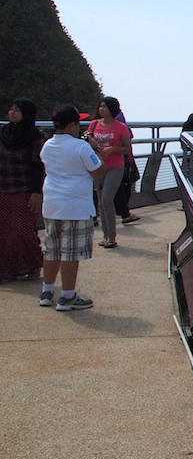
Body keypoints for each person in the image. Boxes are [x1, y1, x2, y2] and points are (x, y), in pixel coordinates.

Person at [39, 105, 105, 310]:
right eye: (77, 123)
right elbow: (99, 171)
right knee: (70, 253)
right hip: (75, 206)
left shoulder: (47, 146)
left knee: (52, 250)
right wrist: (94, 147)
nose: (79, 126)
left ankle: (47, 291)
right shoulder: (81, 147)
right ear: (70, 125)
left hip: (51, 204)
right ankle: (67, 296)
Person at [0, 98, 45, 284]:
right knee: (3, 232)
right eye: (10, 109)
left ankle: (33, 264)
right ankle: (6, 271)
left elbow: (38, 167)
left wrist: (36, 192)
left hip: (25, 190)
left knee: (21, 232)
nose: (12, 113)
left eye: (17, 110)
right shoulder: (3, 133)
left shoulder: (35, 137)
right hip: (3, 188)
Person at [85, 97, 133, 248]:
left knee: (107, 199)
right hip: (97, 166)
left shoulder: (120, 127)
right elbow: (88, 142)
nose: (101, 109)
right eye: (100, 107)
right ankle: (106, 235)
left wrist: (113, 149)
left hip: (115, 166)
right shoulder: (94, 124)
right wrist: (91, 142)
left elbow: (127, 148)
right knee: (101, 201)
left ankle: (111, 236)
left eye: (104, 107)